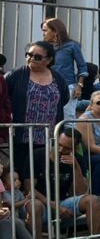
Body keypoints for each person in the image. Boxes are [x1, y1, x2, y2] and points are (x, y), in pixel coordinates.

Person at [7, 41, 71, 195]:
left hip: (49, 136)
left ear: (48, 60)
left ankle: (47, 206)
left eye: (36, 57)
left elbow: (65, 98)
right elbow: (5, 98)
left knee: (44, 173)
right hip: (23, 135)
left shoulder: (58, 77)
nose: (30, 59)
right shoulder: (16, 75)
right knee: (22, 173)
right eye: (28, 54)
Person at [41, 17, 87, 102]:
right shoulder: (44, 47)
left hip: (67, 86)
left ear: (55, 31)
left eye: (45, 31)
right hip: (47, 86)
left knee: (67, 115)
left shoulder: (72, 46)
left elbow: (82, 67)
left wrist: (79, 86)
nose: (43, 34)